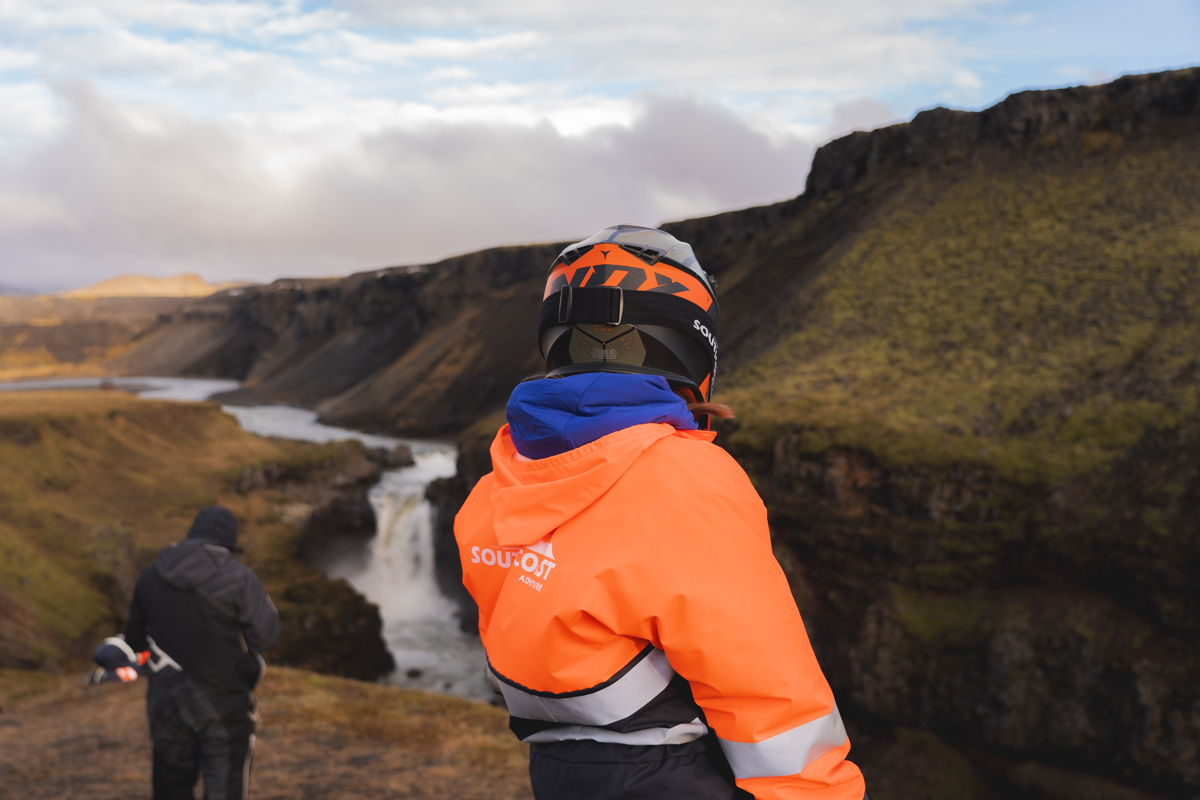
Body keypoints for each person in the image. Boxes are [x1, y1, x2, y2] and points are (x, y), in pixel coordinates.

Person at [455, 224, 868, 799]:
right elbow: (767, 692)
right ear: (693, 345)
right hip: (675, 778)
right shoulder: (686, 480)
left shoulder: (496, 483)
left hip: (559, 771)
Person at [126, 506, 281, 800]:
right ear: (227, 544)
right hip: (223, 700)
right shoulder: (239, 578)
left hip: (165, 701)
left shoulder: (150, 577)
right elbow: (267, 635)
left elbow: (135, 640)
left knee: (170, 785)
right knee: (224, 785)